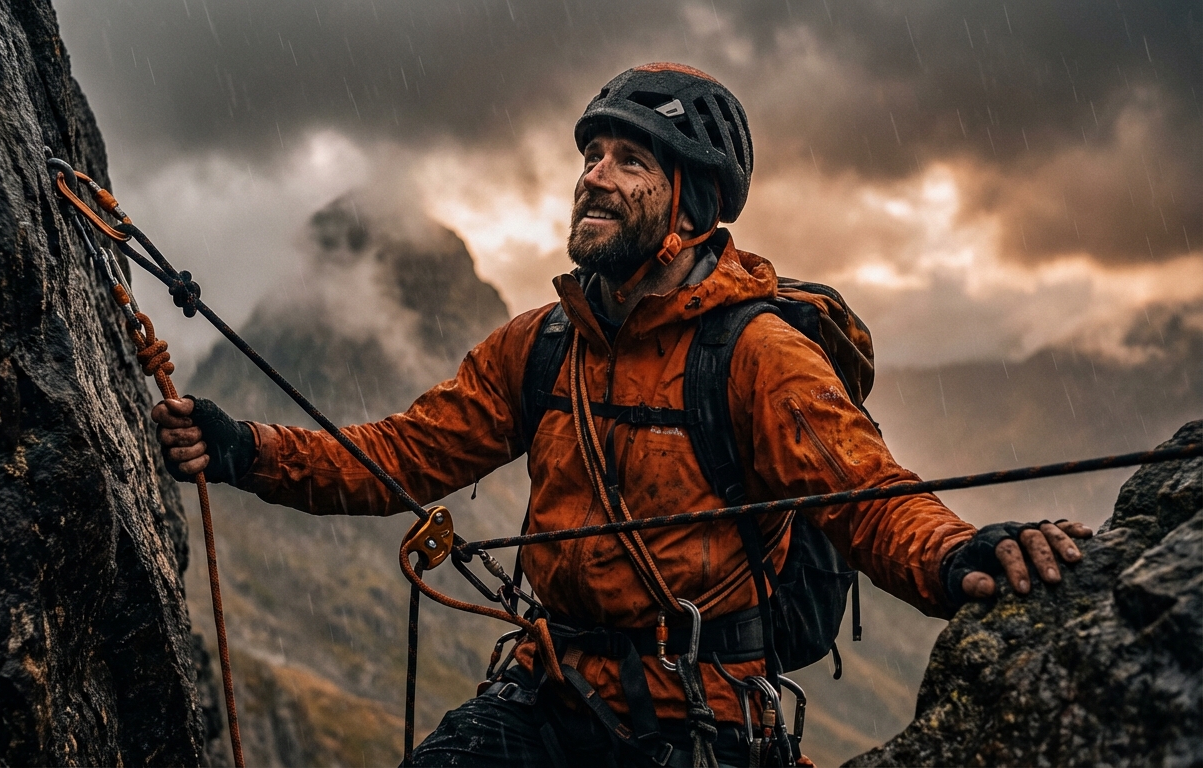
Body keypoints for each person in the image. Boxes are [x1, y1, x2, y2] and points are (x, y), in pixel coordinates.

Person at [153, 63, 1092, 767]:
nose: (594, 176)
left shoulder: (755, 353)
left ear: (691, 205)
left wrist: (962, 553)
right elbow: (400, 455)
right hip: (549, 696)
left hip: (701, 721)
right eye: (591, 155)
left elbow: (867, 495)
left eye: (630, 160)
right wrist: (242, 449)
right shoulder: (543, 343)